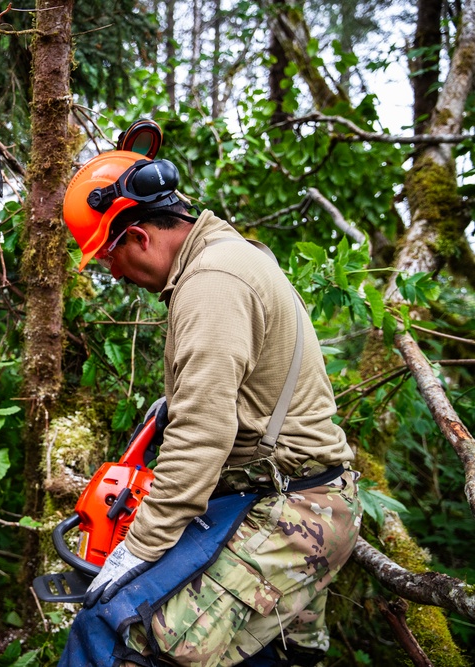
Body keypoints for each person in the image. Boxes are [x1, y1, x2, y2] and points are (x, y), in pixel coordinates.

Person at [59, 151, 362, 667]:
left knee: (114, 636)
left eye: (109, 258)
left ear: (139, 238)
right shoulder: (231, 256)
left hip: (287, 509)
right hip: (291, 493)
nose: (114, 273)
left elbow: (200, 439)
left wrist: (135, 552)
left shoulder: (212, 281)